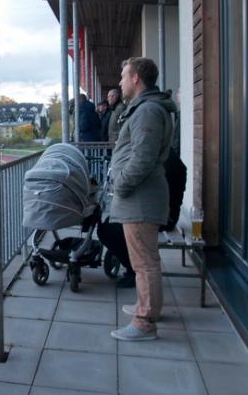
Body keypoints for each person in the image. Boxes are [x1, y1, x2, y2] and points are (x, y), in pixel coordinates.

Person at [108, 57, 177, 341]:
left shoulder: (147, 111)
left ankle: (144, 322)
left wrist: (121, 185)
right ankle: (146, 306)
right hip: (139, 197)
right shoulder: (144, 108)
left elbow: (143, 158)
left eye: (123, 76)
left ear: (136, 78)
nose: (120, 82)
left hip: (140, 198)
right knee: (144, 260)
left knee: (145, 262)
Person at [98, 147, 187, 288]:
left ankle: (134, 271)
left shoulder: (158, 164)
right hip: (164, 215)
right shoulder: (167, 157)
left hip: (158, 217)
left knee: (107, 230)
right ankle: (128, 259)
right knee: (111, 224)